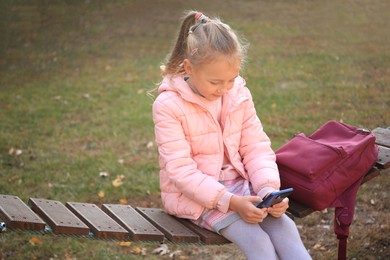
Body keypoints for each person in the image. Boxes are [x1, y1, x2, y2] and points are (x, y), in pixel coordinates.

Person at [152, 10, 311, 260]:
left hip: (241, 185)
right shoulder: (168, 106)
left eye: (231, 79)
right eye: (215, 82)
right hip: (198, 197)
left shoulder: (238, 94)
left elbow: (256, 147)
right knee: (258, 242)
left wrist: (268, 190)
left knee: (285, 228)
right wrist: (230, 202)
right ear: (188, 68)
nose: (224, 89)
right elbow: (181, 171)